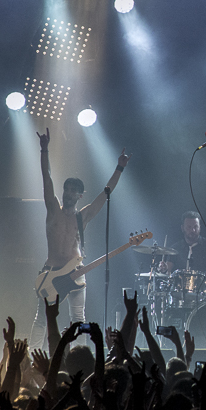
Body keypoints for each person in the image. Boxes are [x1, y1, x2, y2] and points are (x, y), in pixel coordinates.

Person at [30, 127, 131, 350]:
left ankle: (81, 358)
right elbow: (46, 178)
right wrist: (44, 150)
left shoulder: (82, 216)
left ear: (79, 195)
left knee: (78, 319)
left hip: (75, 274)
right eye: (66, 189)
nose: (67, 193)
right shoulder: (53, 209)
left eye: (72, 190)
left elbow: (106, 194)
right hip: (51, 271)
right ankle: (30, 359)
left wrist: (119, 168)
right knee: (42, 320)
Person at [159, 211, 206, 275]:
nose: (193, 230)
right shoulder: (175, 248)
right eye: (189, 227)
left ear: (200, 227)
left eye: (195, 226)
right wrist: (163, 269)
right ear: (182, 228)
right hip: (181, 287)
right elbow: (167, 272)